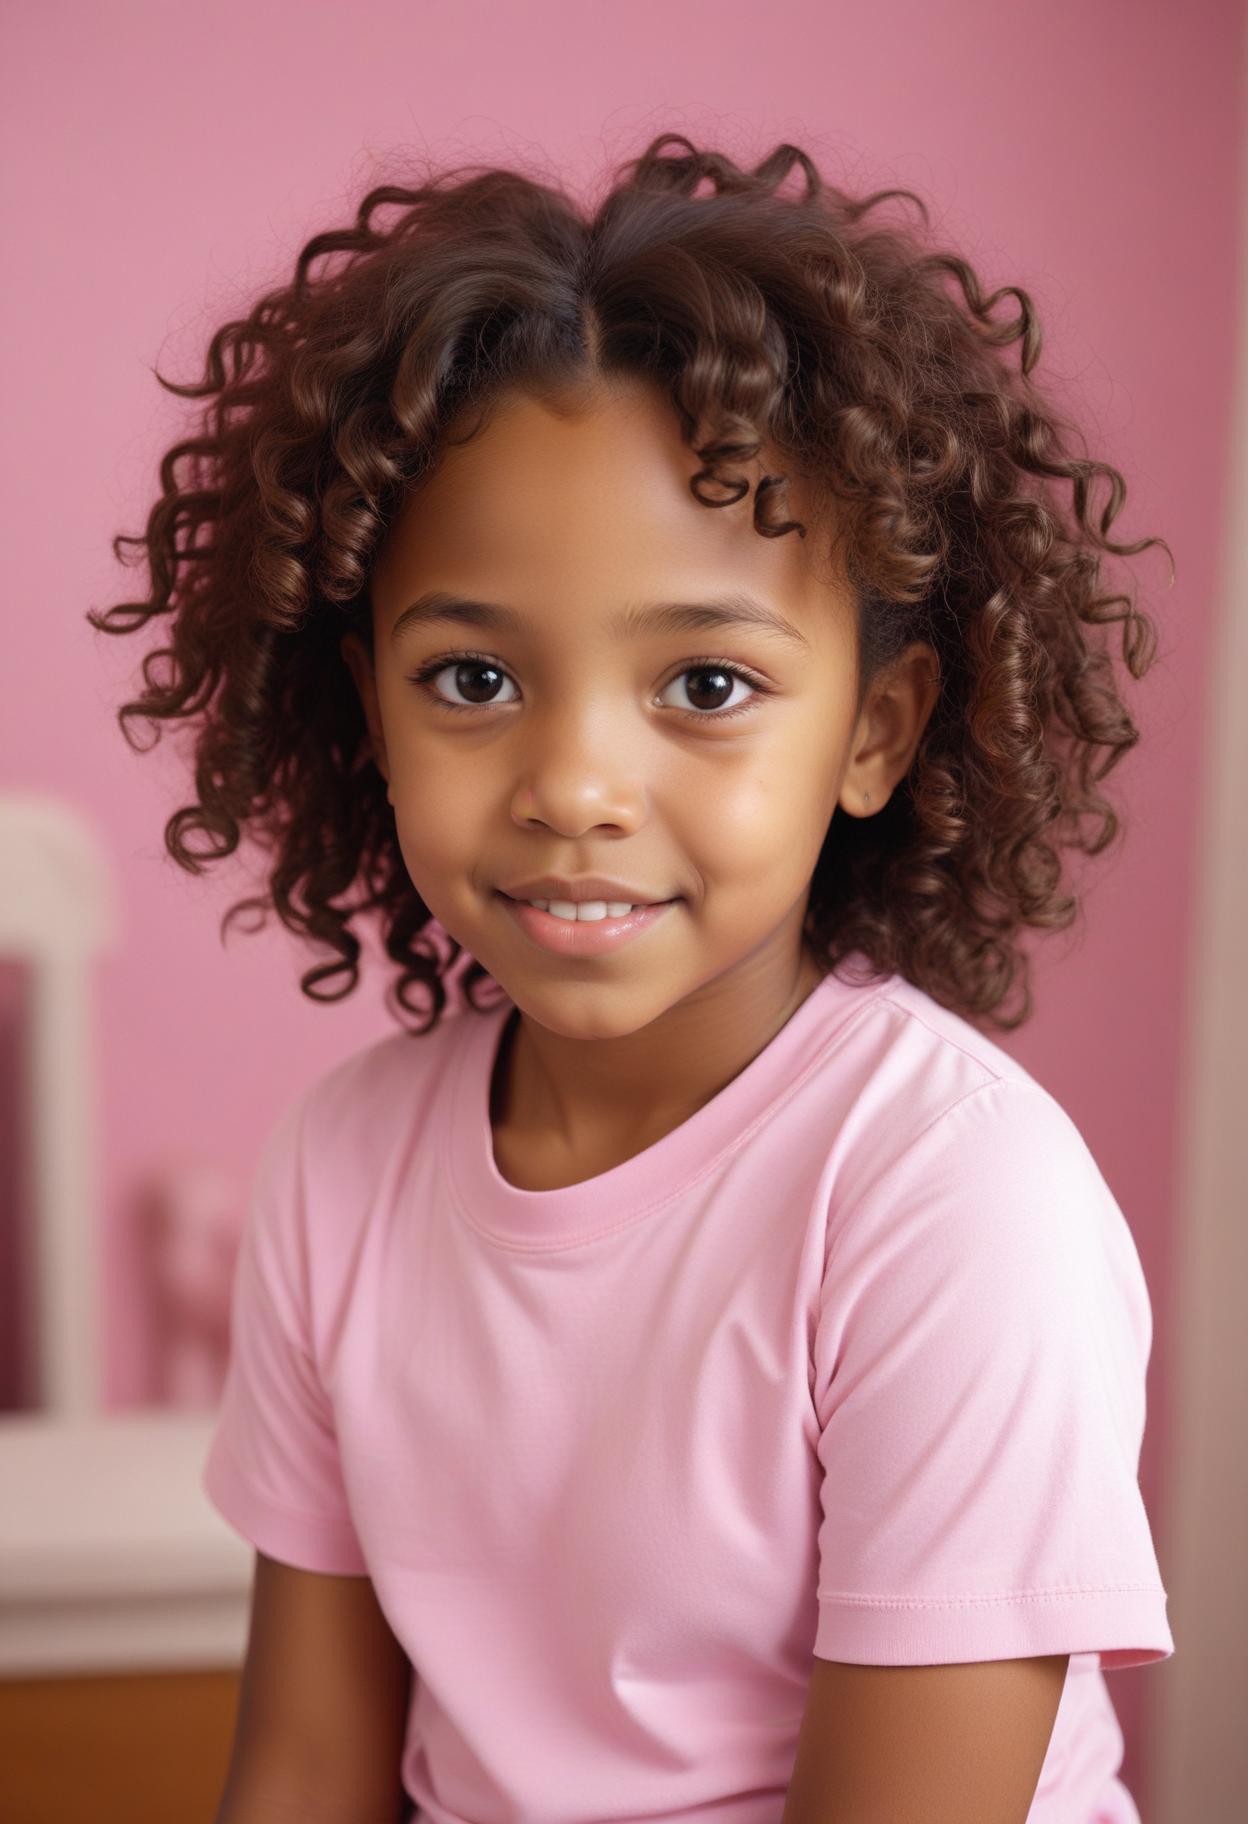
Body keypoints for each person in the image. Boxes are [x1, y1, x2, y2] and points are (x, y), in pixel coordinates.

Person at [90, 131, 1175, 1824]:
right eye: (470, 674)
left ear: (875, 733)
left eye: (708, 686)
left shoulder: (956, 1207)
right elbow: (305, 1771)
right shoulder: (344, 1169)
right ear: (366, 710)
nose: (574, 784)